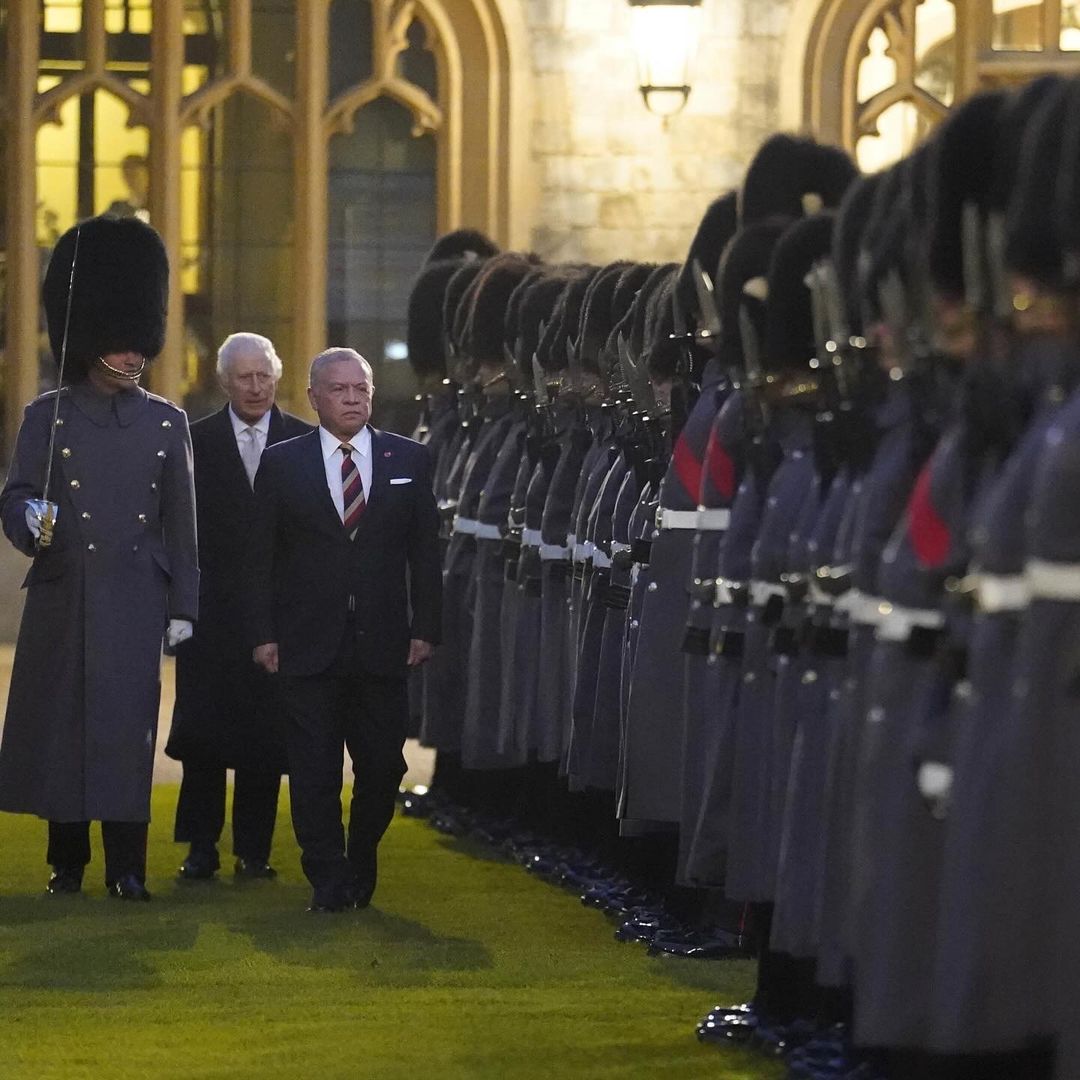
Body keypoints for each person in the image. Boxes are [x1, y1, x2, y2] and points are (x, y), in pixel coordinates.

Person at [0, 213, 198, 901]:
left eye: (137, 344)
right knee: (63, 729)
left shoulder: (167, 424)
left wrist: (183, 608)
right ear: (90, 343)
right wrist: (31, 519)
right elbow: (17, 495)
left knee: (124, 733)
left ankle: (127, 867)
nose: (132, 356)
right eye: (119, 344)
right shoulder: (46, 416)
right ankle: (67, 862)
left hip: (133, 598)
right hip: (66, 591)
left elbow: (183, 528)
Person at [246, 348, 441, 912]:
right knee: (313, 772)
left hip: (383, 645)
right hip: (306, 646)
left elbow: (425, 554)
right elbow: (259, 558)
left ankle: (361, 857)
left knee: (383, 766)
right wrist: (262, 634)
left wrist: (426, 626)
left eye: (361, 388)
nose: (353, 398)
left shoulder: (410, 459)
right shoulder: (283, 464)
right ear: (313, 398)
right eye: (339, 389)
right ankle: (328, 880)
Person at [165, 332, 312, 881]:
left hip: (276, 617)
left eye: (264, 376)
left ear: (277, 377)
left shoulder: (303, 442)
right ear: (224, 382)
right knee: (202, 735)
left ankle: (255, 850)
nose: (256, 387)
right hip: (210, 614)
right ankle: (200, 847)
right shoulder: (192, 441)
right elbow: (176, 526)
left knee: (265, 736)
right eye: (245, 378)